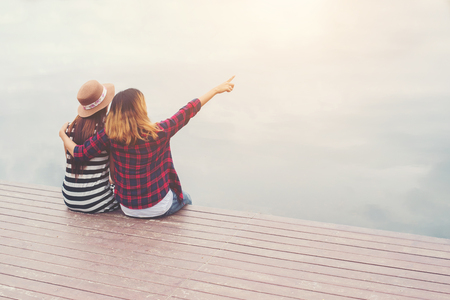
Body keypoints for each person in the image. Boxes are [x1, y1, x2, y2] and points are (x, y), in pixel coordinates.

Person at [59, 76, 235, 218]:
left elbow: (79, 153)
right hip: (158, 206)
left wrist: (64, 135)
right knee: (185, 197)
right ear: (141, 108)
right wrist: (215, 90)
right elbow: (187, 111)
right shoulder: (160, 131)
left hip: (127, 208)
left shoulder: (110, 134)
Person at [61, 80, 120, 213]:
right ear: (105, 105)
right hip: (95, 201)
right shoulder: (106, 132)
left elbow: (70, 163)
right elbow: (114, 173)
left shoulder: (69, 128)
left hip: (69, 198)